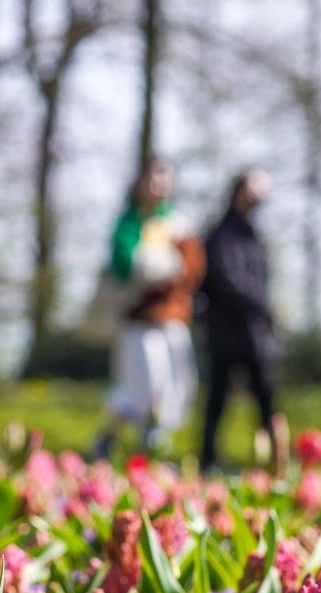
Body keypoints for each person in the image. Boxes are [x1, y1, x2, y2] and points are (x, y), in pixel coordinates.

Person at [92, 158, 204, 458]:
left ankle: (155, 444)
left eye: (163, 179)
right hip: (139, 320)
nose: (158, 186)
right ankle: (126, 441)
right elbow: (127, 266)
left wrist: (168, 270)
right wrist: (160, 267)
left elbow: (191, 268)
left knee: (177, 382)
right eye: (151, 179)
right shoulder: (129, 224)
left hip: (172, 317)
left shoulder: (178, 224)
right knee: (143, 384)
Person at [198, 168, 285, 470]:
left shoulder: (254, 235)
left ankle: (276, 458)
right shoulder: (221, 235)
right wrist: (262, 306)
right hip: (226, 331)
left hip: (255, 333)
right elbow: (225, 280)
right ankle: (208, 459)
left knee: (265, 396)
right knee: (218, 398)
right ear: (238, 192)